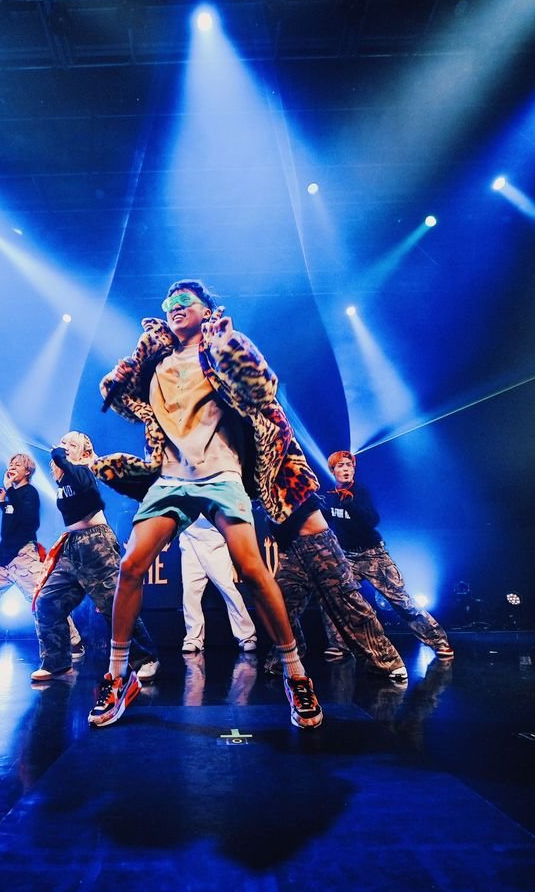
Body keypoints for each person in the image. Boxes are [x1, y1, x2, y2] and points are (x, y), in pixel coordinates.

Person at [90, 280, 386, 727]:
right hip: (171, 477)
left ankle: (295, 673)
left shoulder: (221, 351)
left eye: (185, 302)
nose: (175, 307)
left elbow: (263, 390)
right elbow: (118, 394)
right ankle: (117, 677)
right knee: (130, 566)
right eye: (169, 303)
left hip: (221, 473)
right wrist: (136, 357)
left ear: (206, 310)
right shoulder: (156, 364)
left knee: (251, 569)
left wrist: (227, 344)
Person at [28, 432, 159, 684]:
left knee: (114, 604)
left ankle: (146, 659)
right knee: (47, 601)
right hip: (73, 545)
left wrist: (62, 457)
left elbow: (81, 479)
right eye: (63, 443)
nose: (64, 447)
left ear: (84, 454)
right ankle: (56, 662)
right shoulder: (65, 479)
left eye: (72, 445)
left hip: (96, 543)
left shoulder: (84, 471)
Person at [322, 451, 455, 662]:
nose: (346, 469)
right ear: (333, 470)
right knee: (333, 596)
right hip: (347, 557)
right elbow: (326, 520)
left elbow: (372, 520)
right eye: (341, 466)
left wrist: (351, 505)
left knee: (400, 599)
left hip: (372, 554)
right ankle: (339, 646)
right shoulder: (329, 495)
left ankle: (438, 641)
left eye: (349, 465)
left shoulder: (359, 491)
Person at [0, 453, 80, 663]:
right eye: (11, 464)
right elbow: (10, 524)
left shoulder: (29, 493)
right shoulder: (12, 497)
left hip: (24, 556)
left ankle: (73, 642)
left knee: (46, 600)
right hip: (3, 558)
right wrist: (3, 502)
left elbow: (28, 521)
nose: (13, 467)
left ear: (27, 471)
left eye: (18, 464)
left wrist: (9, 494)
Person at [177, 515, 258, 654]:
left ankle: (247, 636)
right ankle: (193, 638)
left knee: (227, 588)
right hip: (188, 536)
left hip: (213, 537)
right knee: (190, 591)